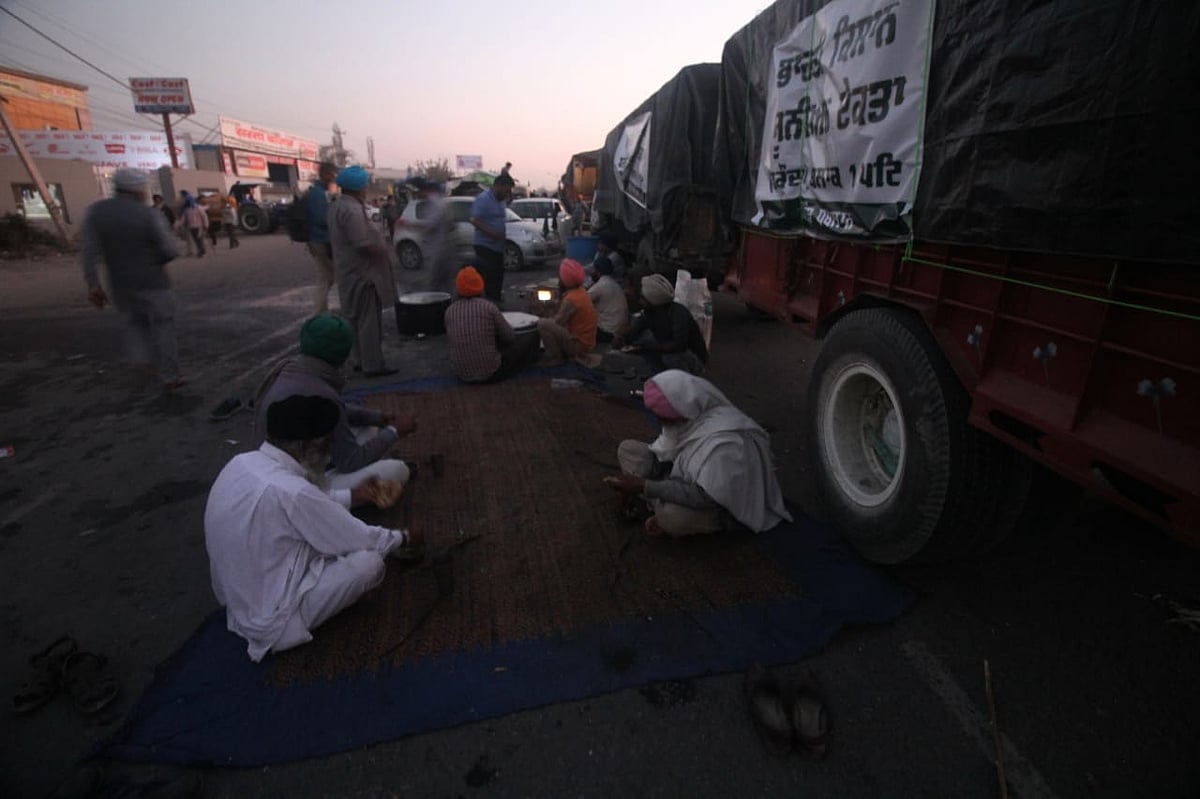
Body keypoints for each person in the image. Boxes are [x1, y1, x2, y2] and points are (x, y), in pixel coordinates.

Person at [206, 394, 422, 662]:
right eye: (327, 445)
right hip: (270, 620)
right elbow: (360, 538)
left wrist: (355, 496)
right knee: (370, 563)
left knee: (323, 533)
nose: (330, 452)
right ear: (310, 446)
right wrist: (405, 536)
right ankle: (292, 625)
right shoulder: (292, 492)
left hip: (239, 595)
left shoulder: (242, 462)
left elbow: (306, 504)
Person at [605, 370, 791, 537]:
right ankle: (657, 503)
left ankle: (667, 511)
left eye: (664, 418)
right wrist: (642, 481)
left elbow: (705, 497)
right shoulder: (687, 418)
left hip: (719, 506)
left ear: (682, 411)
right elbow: (666, 455)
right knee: (628, 449)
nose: (661, 422)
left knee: (672, 517)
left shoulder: (725, 444)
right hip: (685, 481)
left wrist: (644, 486)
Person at [253, 312, 414, 487]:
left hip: (278, 464)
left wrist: (377, 417)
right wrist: (395, 431)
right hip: (292, 484)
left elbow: (337, 413)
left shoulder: (291, 369)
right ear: (342, 355)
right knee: (397, 470)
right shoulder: (322, 392)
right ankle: (330, 491)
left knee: (369, 427)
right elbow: (351, 462)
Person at [80, 168, 185, 390]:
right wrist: (152, 260)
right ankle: (170, 376)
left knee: (136, 323)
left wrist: (93, 285)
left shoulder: (97, 212)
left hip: (120, 284)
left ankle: (141, 359)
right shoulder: (148, 214)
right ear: (138, 190)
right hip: (153, 282)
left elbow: (89, 253)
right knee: (164, 326)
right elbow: (170, 249)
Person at [328, 165, 398, 378]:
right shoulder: (352, 210)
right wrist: (382, 251)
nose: (367, 188)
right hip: (362, 275)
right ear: (359, 188)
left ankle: (358, 360)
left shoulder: (338, 206)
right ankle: (373, 365)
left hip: (349, 272)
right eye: (365, 185)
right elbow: (361, 244)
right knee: (369, 321)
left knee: (355, 319)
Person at [444, 266, 536, 382]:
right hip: (491, 372)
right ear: (480, 286)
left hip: (461, 374)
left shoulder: (450, 311)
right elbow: (510, 337)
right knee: (524, 343)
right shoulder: (488, 307)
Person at [614, 274, 708, 375]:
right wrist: (622, 338)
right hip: (672, 352)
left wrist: (648, 347)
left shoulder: (679, 313)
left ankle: (683, 381)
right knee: (645, 344)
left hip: (692, 359)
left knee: (670, 357)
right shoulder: (649, 313)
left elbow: (679, 345)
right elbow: (634, 332)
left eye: (642, 297)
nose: (640, 300)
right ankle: (661, 378)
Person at [536, 258, 597, 366]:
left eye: (560, 277)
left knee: (541, 324)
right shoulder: (580, 291)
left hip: (580, 346)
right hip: (587, 343)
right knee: (547, 322)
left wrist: (544, 312)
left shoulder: (571, 299)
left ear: (566, 280)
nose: (558, 280)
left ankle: (556, 357)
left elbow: (558, 322)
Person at [469, 172, 514, 302]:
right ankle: (488, 306)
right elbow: (474, 220)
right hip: (485, 246)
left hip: (497, 247)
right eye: (507, 190)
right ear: (498, 186)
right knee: (489, 278)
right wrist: (491, 233)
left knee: (498, 277)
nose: (508, 193)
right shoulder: (483, 199)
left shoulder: (500, 201)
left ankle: (496, 303)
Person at [307, 162, 339, 312]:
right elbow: (322, 219)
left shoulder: (320, 192)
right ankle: (321, 313)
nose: (334, 179)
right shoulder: (317, 194)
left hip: (320, 241)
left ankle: (322, 312)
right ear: (326, 175)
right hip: (322, 241)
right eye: (333, 175)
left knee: (327, 277)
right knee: (328, 278)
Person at [587, 256, 628, 343]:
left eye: (593, 269)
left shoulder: (601, 285)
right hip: (618, 328)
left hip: (608, 331)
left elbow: (580, 302)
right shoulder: (613, 283)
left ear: (597, 271)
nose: (592, 272)